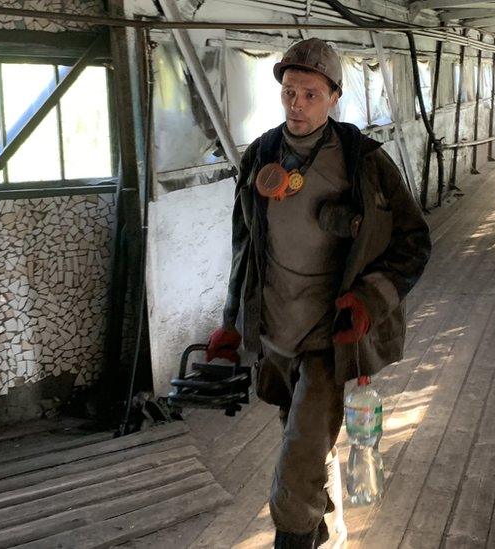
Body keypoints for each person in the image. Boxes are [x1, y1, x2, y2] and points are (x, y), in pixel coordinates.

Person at [206, 37, 431, 548]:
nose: (297, 105)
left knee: (298, 462)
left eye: (310, 94)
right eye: (289, 92)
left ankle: (298, 536)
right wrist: (232, 323)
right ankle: (329, 534)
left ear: (334, 97)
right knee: (305, 444)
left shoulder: (364, 161)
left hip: (330, 337)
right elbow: (245, 246)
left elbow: (414, 241)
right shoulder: (261, 155)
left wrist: (370, 300)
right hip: (277, 336)